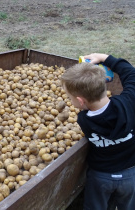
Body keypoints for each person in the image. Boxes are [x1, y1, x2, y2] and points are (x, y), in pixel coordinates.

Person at [60, 53, 135, 210]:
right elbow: (131, 74)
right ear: (105, 83)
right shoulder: (129, 102)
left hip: (100, 177)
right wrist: (105, 58)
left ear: (81, 101)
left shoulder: (84, 120)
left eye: (70, 98)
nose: (70, 101)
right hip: (130, 175)